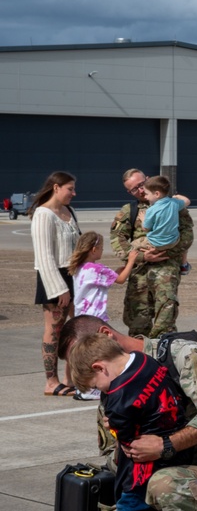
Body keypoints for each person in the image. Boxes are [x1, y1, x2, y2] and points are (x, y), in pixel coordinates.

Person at [58, 314, 197, 511]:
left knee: (164, 486)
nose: (78, 367)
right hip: (152, 475)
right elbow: (113, 458)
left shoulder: (179, 355)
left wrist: (166, 444)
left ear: (106, 336)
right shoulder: (112, 388)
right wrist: (125, 441)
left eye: (80, 356)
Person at [67, 333, 194, 511]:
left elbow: (126, 442)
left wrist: (112, 426)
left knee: (130, 503)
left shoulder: (118, 399)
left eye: (96, 386)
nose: (101, 391)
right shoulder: (145, 360)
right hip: (177, 442)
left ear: (100, 368)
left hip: (145, 468)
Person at [110, 169, 194, 337]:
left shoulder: (171, 204)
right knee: (138, 321)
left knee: (166, 317)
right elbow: (117, 241)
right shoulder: (129, 211)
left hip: (166, 268)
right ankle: (140, 358)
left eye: (142, 185)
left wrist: (166, 251)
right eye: (135, 189)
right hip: (139, 272)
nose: (140, 190)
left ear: (148, 180)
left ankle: (164, 354)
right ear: (129, 192)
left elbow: (187, 233)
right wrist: (142, 256)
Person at [67, 232, 140, 400]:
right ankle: (91, 389)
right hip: (95, 319)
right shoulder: (97, 268)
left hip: (82, 318)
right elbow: (121, 279)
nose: (102, 251)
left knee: (85, 352)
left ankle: (82, 387)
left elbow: (111, 277)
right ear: (93, 250)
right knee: (99, 353)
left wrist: (116, 272)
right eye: (101, 248)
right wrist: (131, 261)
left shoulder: (80, 268)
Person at [29, 170, 82, 397]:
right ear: (56, 187)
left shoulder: (68, 211)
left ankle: (73, 378)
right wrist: (59, 288)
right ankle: (51, 382)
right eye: (70, 189)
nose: (73, 193)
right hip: (54, 277)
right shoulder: (43, 214)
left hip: (74, 275)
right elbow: (44, 256)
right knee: (54, 330)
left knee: (80, 328)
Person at [134, 175, 192, 267]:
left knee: (133, 246)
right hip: (174, 242)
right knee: (184, 246)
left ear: (157, 194)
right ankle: (184, 264)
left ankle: (139, 263)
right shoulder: (174, 203)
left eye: (147, 194)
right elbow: (187, 201)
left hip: (156, 243)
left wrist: (143, 219)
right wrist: (177, 196)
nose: (145, 197)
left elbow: (145, 228)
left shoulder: (151, 210)